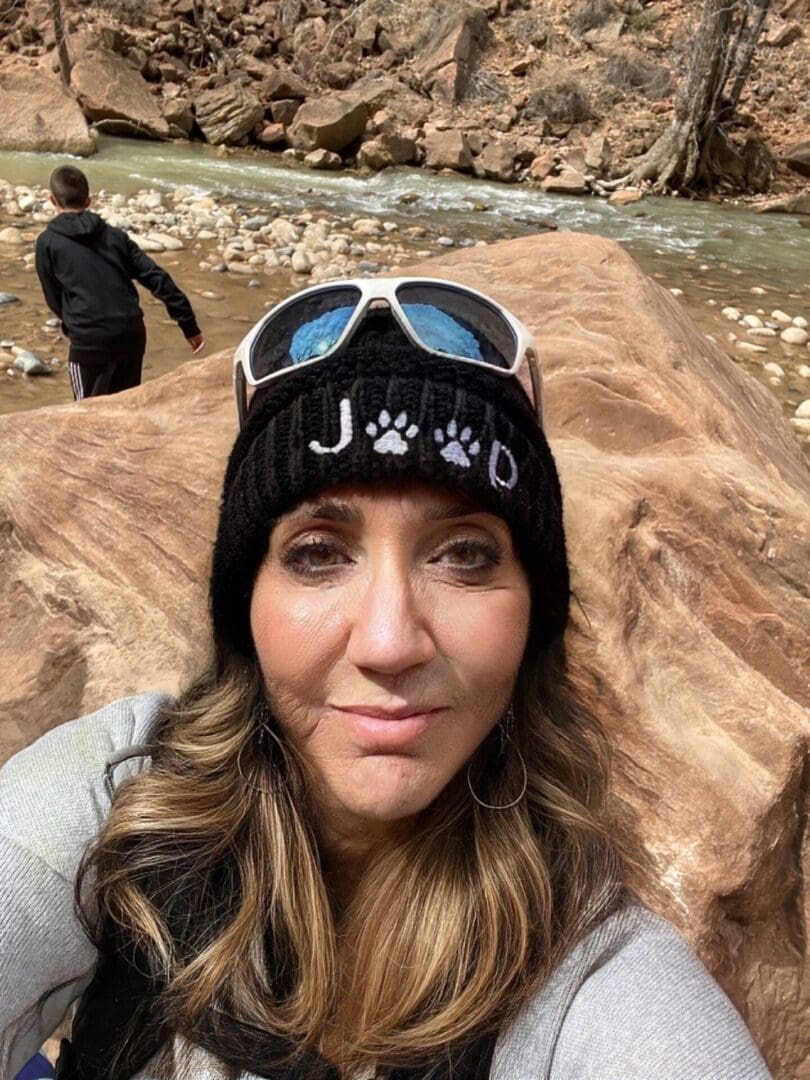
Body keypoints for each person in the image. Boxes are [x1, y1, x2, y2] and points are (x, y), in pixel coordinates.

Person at [0, 278, 772, 1080]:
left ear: (534, 615)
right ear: (246, 609)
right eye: (317, 554)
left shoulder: (595, 983)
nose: (389, 641)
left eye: (464, 554)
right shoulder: (125, 800)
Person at [34, 165, 205, 401]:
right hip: (130, 336)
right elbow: (156, 277)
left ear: (52, 200)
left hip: (89, 340)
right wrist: (189, 325)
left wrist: (71, 322)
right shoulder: (115, 237)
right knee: (125, 408)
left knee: (86, 415)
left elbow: (52, 295)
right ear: (88, 201)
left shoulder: (48, 242)